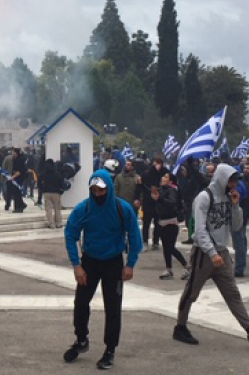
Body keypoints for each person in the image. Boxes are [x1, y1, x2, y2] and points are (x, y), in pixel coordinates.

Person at [173, 164, 249, 348]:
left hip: (221, 253)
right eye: (231, 180)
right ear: (222, 178)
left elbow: (237, 226)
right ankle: (180, 327)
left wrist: (236, 205)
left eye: (235, 181)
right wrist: (212, 252)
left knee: (233, 294)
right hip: (204, 253)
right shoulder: (204, 197)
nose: (234, 185)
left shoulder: (229, 197)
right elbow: (199, 230)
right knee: (191, 293)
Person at [63, 169, 142, 370]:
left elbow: (135, 237)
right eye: (94, 190)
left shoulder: (122, 209)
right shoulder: (84, 208)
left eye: (101, 190)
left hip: (113, 262)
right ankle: (81, 340)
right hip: (89, 261)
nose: (98, 194)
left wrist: (130, 264)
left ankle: (110, 350)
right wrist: (76, 265)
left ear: (108, 188)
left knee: (113, 308)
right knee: (80, 303)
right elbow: (70, 234)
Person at [156, 172, 189, 280]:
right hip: (162, 222)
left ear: (170, 181)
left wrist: (159, 199)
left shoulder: (171, 190)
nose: (162, 178)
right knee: (166, 248)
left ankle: (187, 266)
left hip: (171, 223)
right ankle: (169, 269)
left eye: (165, 177)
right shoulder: (161, 189)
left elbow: (171, 203)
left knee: (170, 247)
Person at [140, 157, 171, 251]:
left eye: (159, 163)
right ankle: (145, 241)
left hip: (159, 201)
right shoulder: (147, 173)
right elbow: (141, 185)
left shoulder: (165, 173)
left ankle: (156, 242)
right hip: (148, 201)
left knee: (158, 223)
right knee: (146, 223)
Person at [39, 159, 66, 229]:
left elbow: (39, 182)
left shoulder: (43, 173)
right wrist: (61, 191)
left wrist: (42, 189)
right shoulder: (57, 173)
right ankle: (58, 223)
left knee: (49, 209)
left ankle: (51, 223)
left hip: (47, 193)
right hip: (56, 193)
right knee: (57, 208)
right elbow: (61, 183)